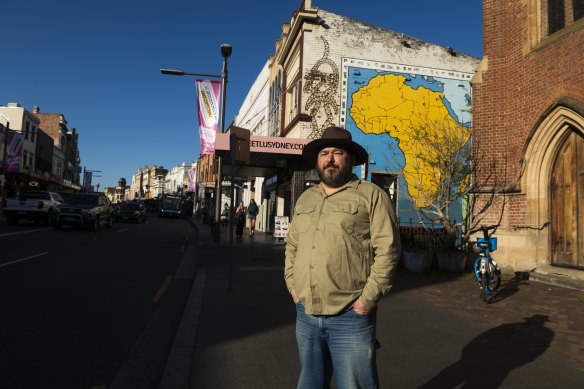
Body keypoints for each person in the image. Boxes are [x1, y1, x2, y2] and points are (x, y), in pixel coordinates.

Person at [284, 126, 401, 388]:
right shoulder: (305, 198)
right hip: (306, 313)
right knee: (310, 384)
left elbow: (388, 250)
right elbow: (292, 246)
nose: (330, 159)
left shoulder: (371, 196)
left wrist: (367, 300)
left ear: (350, 159)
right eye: (324, 153)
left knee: (355, 385)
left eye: (337, 153)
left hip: (350, 315)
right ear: (317, 160)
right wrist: (293, 285)